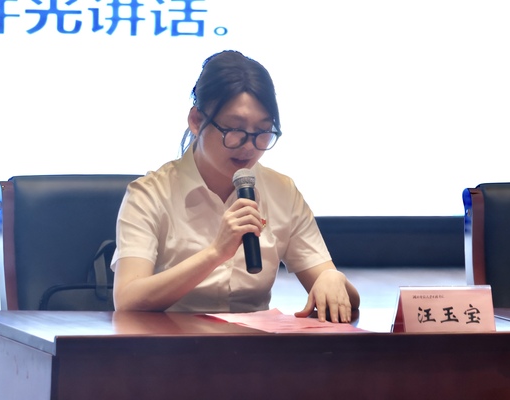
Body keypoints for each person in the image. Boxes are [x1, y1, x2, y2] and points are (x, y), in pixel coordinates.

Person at [111, 50, 360, 323]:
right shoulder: (150, 194)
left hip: (254, 345)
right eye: (235, 130)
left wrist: (332, 278)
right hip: (169, 344)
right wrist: (216, 253)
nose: (249, 146)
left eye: (262, 132)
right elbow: (128, 299)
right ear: (196, 121)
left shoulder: (282, 191)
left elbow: (340, 293)